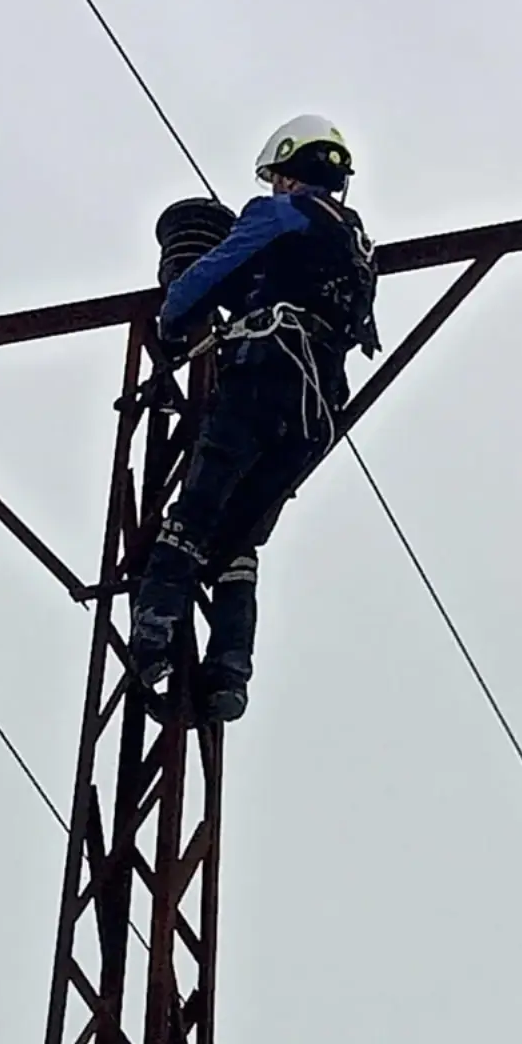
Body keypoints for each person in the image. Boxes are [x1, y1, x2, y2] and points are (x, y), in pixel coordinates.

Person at [129, 114, 380, 723]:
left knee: (196, 510)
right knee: (240, 540)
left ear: (292, 176)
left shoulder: (279, 215)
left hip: (264, 375)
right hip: (317, 412)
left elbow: (209, 276)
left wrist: (174, 309)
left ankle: (154, 632)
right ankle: (227, 675)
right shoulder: (355, 241)